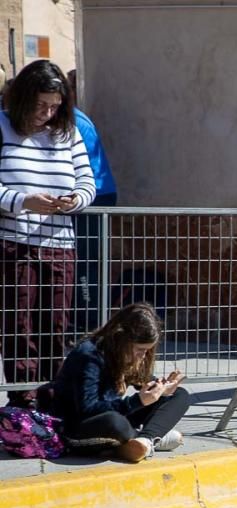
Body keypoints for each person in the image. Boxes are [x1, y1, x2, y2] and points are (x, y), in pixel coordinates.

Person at [0, 60, 96, 408]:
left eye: (55, 106)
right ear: (24, 98)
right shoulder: (2, 126)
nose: (48, 112)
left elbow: (87, 182)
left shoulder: (67, 132)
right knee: (19, 325)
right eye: (41, 104)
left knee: (55, 326)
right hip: (14, 244)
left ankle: (52, 398)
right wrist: (23, 201)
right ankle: (22, 402)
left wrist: (74, 201)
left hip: (60, 244)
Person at [38, 303, 189, 463]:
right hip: (77, 427)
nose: (143, 356)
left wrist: (162, 388)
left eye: (147, 351)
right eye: (140, 350)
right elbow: (87, 409)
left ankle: (145, 440)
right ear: (122, 340)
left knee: (179, 395)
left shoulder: (124, 355)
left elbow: (142, 383)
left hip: (114, 415)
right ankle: (149, 438)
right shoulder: (89, 356)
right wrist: (137, 401)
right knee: (115, 421)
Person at [67, 69, 118, 333]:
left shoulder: (74, 120)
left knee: (85, 260)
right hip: (89, 194)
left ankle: (88, 321)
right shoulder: (71, 118)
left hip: (95, 195)